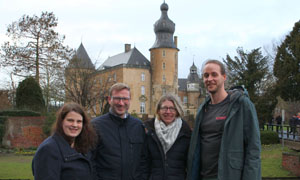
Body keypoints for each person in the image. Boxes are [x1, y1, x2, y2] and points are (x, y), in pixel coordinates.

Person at [187, 60, 261, 180]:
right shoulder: (202, 109)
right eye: (206, 75)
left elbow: (253, 149)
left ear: (224, 77)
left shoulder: (241, 104)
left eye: (214, 74)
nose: (209, 79)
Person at [92, 83, 147, 180]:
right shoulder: (96, 126)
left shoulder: (138, 126)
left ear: (130, 100)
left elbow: (144, 159)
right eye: (117, 98)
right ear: (109, 100)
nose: (121, 103)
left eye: (125, 99)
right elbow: (90, 160)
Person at [32, 102, 97, 180]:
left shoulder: (83, 147)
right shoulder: (48, 149)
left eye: (79, 121)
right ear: (61, 122)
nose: (75, 125)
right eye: (70, 120)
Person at [143, 94, 191, 180]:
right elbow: (142, 162)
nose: (168, 112)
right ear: (158, 110)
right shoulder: (148, 130)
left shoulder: (186, 132)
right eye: (164, 108)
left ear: (177, 111)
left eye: (172, 108)